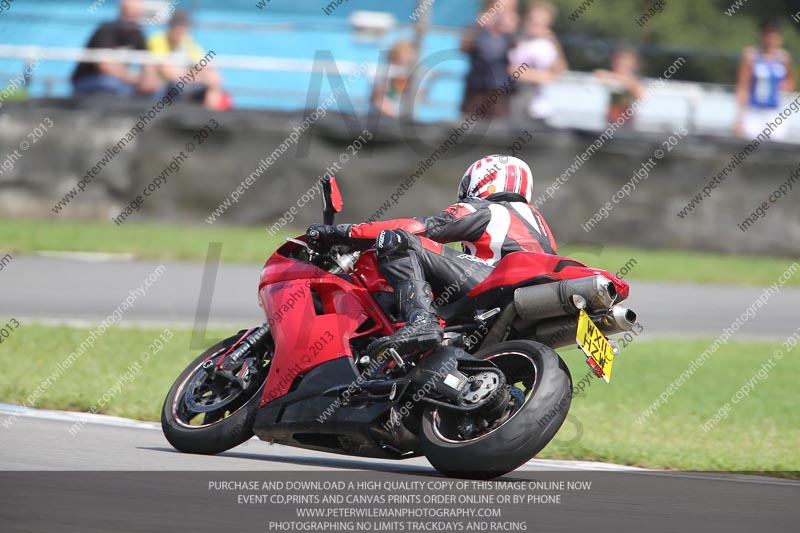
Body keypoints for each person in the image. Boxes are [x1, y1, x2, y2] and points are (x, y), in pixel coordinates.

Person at [307, 155, 557, 355]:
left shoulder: (489, 209)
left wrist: (342, 232)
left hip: (495, 286)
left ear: (482, 180)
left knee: (396, 240)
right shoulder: (540, 223)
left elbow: (420, 228)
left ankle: (420, 322)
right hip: (525, 302)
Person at [147, 10, 228, 110]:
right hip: (162, 88)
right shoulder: (158, 39)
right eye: (176, 25)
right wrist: (197, 76)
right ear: (170, 26)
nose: (179, 30)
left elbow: (205, 65)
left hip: (184, 83)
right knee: (179, 84)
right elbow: (166, 71)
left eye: (183, 26)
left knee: (213, 78)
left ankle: (210, 116)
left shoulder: (187, 42)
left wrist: (202, 76)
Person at [71, 0, 152, 96]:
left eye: (136, 15)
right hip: (88, 81)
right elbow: (105, 66)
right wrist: (133, 78)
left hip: (118, 82)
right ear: (121, 12)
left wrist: (147, 81)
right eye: (129, 14)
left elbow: (148, 63)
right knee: (112, 84)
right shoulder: (106, 30)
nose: (133, 19)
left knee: (156, 92)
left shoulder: (137, 34)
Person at [735, 19, 796, 141]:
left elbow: (791, 79)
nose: (771, 39)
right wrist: (739, 117)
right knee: (750, 145)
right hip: (754, 111)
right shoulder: (751, 56)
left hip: (774, 112)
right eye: (768, 34)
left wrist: (785, 87)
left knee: (776, 148)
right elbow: (742, 86)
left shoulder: (783, 58)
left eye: (774, 35)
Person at [508, 1, 567, 122]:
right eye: (533, 20)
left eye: (541, 23)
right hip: (515, 104)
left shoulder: (548, 45)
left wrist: (554, 43)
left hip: (541, 108)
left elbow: (559, 73)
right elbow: (513, 72)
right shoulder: (516, 41)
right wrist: (545, 77)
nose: (536, 24)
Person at [460, 0, 519, 119]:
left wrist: (512, 32)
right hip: (476, 87)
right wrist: (480, 26)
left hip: (500, 90)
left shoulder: (512, 33)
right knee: (470, 126)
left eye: (509, 9)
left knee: (497, 131)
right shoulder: (477, 27)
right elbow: (463, 47)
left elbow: (520, 54)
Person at [593, 47, 645, 124]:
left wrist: (626, 81)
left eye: (624, 62)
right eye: (618, 61)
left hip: (626, 122)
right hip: (610, 119)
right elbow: (598, 74)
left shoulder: (635, 82)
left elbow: (642, 96)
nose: (620, 63)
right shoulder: (610, 77)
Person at [371, 40, 416, 118]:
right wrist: (395, 115)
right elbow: (377, 100)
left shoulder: (411, 76)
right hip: (384, 119)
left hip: (402, 119)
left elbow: (418, 98)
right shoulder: (385, 74)